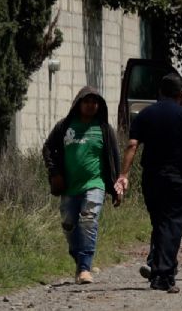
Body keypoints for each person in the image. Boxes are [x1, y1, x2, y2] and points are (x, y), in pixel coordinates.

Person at [116, 74, 182, 293]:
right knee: (173, 225)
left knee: (159, 224)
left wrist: (123, 175)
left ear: (159, 93)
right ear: (181, 94)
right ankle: (164, 275)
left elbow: (132, 145)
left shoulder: (145, 114)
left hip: (151, 178)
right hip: (176, 177)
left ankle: (160, 272)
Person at [42, 86, 122, 284]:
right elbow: (48, 148)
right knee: (69, 224)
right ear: (78, 104)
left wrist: (116, 188)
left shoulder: (103, 129)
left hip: (95, 183)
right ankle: (80, 260)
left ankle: (85, 268)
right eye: (86, 101)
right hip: (69, 187)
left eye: (94, 102)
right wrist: (54, 172)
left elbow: (114, 158)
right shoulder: (65, 126)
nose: (90, 105)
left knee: (88, 220)